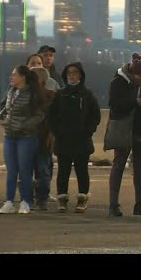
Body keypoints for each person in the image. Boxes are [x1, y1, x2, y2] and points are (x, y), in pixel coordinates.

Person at [107, 56, 141, 217]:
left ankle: (140, 203)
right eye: (139, 76)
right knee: (119, 166)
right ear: (132, 72)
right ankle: (113, 204)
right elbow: (114, 105)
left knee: (140, 168)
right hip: (124, 129)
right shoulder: (118, 82)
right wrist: (136, 102)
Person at [48, 62, 101, 213]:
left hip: (82, 140)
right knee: (63, 171)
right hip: (63, 140)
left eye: (75, 73)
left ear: (81, 75)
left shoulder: (87, 94)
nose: (72, 75)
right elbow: (51, 116)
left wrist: (88, 131)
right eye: (69, 73)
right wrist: (57, 131)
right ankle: (62, 199)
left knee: (82, 171)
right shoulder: (60, 94)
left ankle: (82, 199)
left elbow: (95, 115)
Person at [0, 66, 46, 214]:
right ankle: (9, 201)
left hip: (26, 137)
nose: (11, 78)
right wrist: (1, 119)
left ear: (23, 77)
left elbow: (40, 115)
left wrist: (25, 125)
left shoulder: (33, 94)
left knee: (25, 170)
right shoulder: (11, 92)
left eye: (14, 75)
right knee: (11, 171)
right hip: (9, 135)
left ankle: (25, 201)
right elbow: (6, 109)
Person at [29, 66, 55, 210]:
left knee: (39, 170)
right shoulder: (27, 96)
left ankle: (36, 198)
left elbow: (54, 118)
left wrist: (51, 134)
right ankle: (39, 198)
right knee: (42, 170)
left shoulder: (49, 96)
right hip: (38, 139)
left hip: (40, 139)